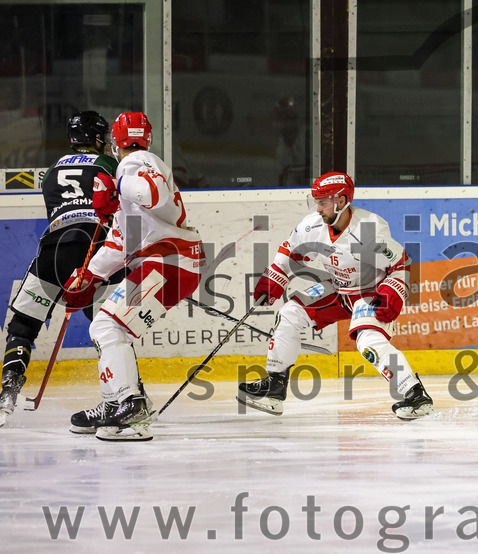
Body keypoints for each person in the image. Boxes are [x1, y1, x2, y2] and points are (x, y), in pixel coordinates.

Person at [237, 172, 432, 420]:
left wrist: (393, 291)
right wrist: (275, 277)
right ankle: (275, 385)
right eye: (316, 202)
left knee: (368, 342)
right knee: (289, 314)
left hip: (370, 293)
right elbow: (291, 253)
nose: (318, 208)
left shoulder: (368, 230)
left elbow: (400, 264)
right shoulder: (312, 225)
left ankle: (416, 396)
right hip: (337, 289)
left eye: (323, 202)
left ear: (341, 201)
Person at [63, 112, 206, 441]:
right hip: (170, 264)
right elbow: (121, 242)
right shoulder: (139, 167)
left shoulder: (135, 162)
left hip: (168, 262)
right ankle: (116, 402)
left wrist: (117, 185)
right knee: (109, 327)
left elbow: (153, 194)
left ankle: (132, 407)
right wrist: (91, 275)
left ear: (114, 143)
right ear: (149, 137)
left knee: (106, 326)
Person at [0, 111, 117, 426]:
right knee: (111, 328)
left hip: (54, 251)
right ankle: (126, 394)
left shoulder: (52, 170)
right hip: (97, 250)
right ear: (96, 137)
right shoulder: (109, 165)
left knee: (22, 325)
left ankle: (8, 389)